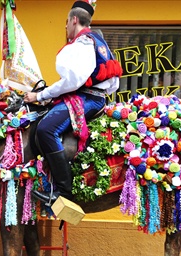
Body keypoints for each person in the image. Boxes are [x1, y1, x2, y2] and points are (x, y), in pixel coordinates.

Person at [23, 0, 122, 204]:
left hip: (87, 98)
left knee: (46, 129)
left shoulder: (83, 42)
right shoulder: (99, 42)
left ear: (74, 20)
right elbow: (113, 84)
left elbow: (72, 81)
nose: (66, 27)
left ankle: (63, 191)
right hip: (94, 96)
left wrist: (40, 95)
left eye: (66, 22)